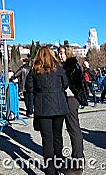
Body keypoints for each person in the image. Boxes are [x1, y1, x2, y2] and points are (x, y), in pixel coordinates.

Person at [25, 47, 69, 175]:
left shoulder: (35, 70)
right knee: (58, 136)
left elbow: (29, 87)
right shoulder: (59, 68)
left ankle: (50, 170)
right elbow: (65, 84)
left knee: (47, 140)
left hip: (43, 107)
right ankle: (59, 163)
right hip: (59, 105)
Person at [58, 46, 88, 171]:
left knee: (73, 128)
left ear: (67, 53)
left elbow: (76, 84)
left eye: (62, 53)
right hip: (68, 100)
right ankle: (78, 156)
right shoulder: (68, 65)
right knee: (72, 128)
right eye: (59, 53)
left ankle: (78, 158)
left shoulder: (70, 66)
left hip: (70, 99)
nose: (60, 56)